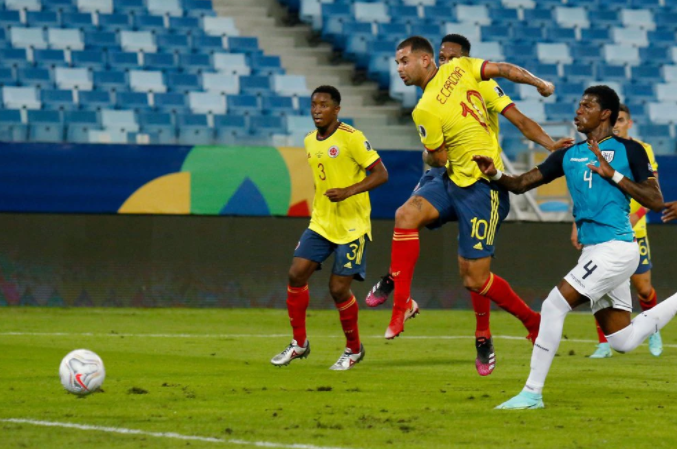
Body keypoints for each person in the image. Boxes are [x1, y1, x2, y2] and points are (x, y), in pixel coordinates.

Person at [366, 34, 573, 376]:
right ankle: (401, 300)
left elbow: (514, 107)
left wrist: (548, 130)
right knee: (405, 215)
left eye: (404, 62)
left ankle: (530, 322)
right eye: (397, 63)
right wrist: (433, 155)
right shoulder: (429, 103)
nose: (399, 69)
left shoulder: (469, 77)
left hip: (483, 185)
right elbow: (440, 159)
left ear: (427, 60)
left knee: (475, 279)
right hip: (450, 179)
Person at [474, 85, 674, 410]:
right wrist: (495, 173)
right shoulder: (568, 153)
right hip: (594, 250)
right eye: (578, 105)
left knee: (553, 305)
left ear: (605, 113)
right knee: (622, 340)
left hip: (617, 247)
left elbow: (655, 200)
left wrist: (614, 175)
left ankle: (532, 393)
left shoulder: (630, 150)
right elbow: (522, 183)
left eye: (586, 106)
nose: (577, 111)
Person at [270, 85, 388, 370]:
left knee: (338, 289)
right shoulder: (310, 140)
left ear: (337, 110)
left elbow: (381, 174)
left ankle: (354, 349)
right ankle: (299, 343)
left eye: (324, 105)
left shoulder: (353, 138)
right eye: (313, 104)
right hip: (322, 222)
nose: (317, 110)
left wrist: (348, 191)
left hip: (352, 226)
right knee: (296, 274)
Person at [581, 104, 662, 358]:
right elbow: (588, 191)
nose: (617, 125)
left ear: (630, 123)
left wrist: (634, 216)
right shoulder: (598, 149)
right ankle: (604, 343)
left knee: (643, 289)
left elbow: (653, 193)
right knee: (597, 286)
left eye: (622, 120)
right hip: (603, 230)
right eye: (614, 120)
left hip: (634, 230)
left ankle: (654, 330)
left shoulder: (642, 150)